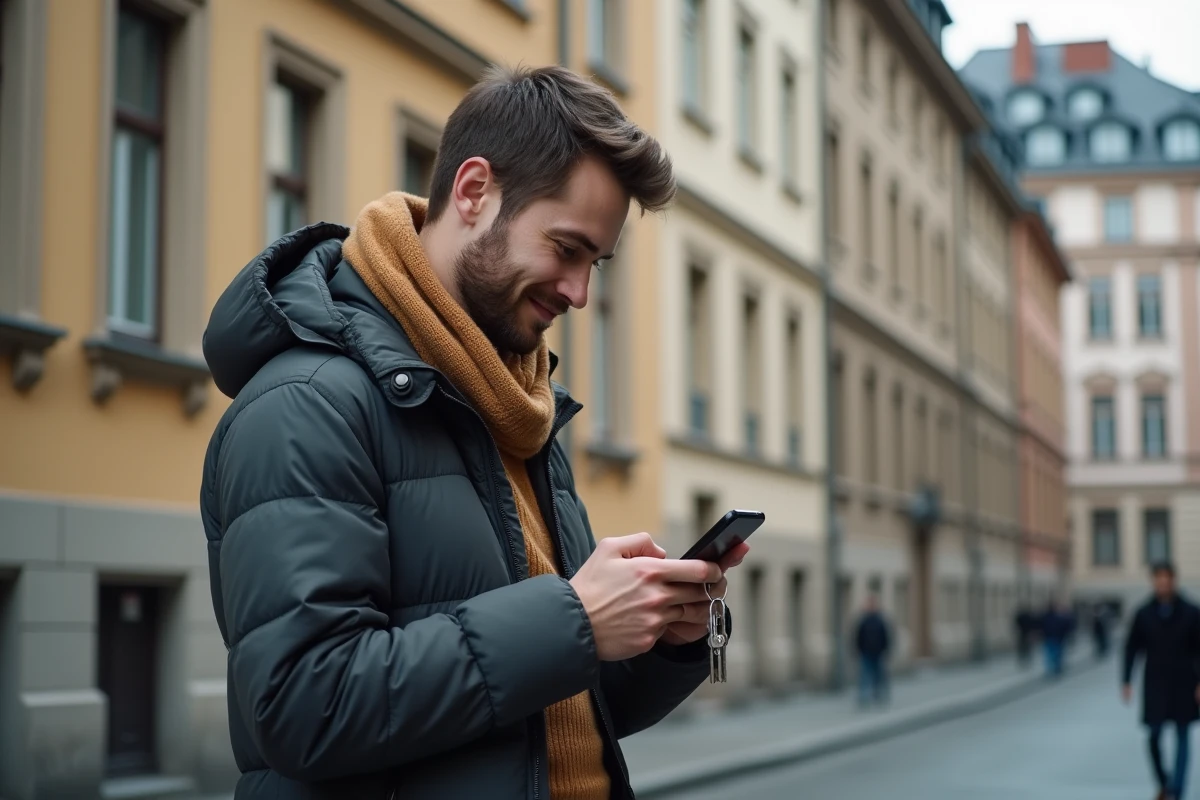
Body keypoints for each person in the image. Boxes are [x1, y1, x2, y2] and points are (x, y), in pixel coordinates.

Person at [200, 65, 749, 800]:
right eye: (566, 248)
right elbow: (305, 709)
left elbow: (556, 710)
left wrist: (661, 639)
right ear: (473, 192)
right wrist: (575, 621)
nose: (581, 293)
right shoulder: (305, 404)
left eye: (596, 262)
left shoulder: (519, 408)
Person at [1123, 562, 1200, 800]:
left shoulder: (1191, 611)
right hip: (1154, 683)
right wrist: (1126, 680)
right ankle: (1164, 782)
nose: (1163, 583)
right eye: (1159, 579)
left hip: (1185, 682)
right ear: (1154, 581)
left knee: (1183, 736)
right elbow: (1131, 647)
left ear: (1174, 581)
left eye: (1167, 579)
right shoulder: (1143, 613)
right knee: (1153, 735)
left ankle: (1177, 790)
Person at [854, 594, 891, 708]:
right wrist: (858, 649)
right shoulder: (863, 621)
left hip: (878, 652)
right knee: (865, 676)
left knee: (878, 676)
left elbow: (885, 635)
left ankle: (878, 695)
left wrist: (886, 649)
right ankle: (864, 697)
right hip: (866, 652)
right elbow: (858, 636)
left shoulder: (880, 620)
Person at [1040, 598, 1073, 678]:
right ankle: (1056, 668)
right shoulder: (1058, 617)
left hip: (1051, 637)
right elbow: (1065, 627)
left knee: (1050, 654)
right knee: (1056, 654)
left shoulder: (1045, 617)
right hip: (1056, 638)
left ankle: (1052, 669)